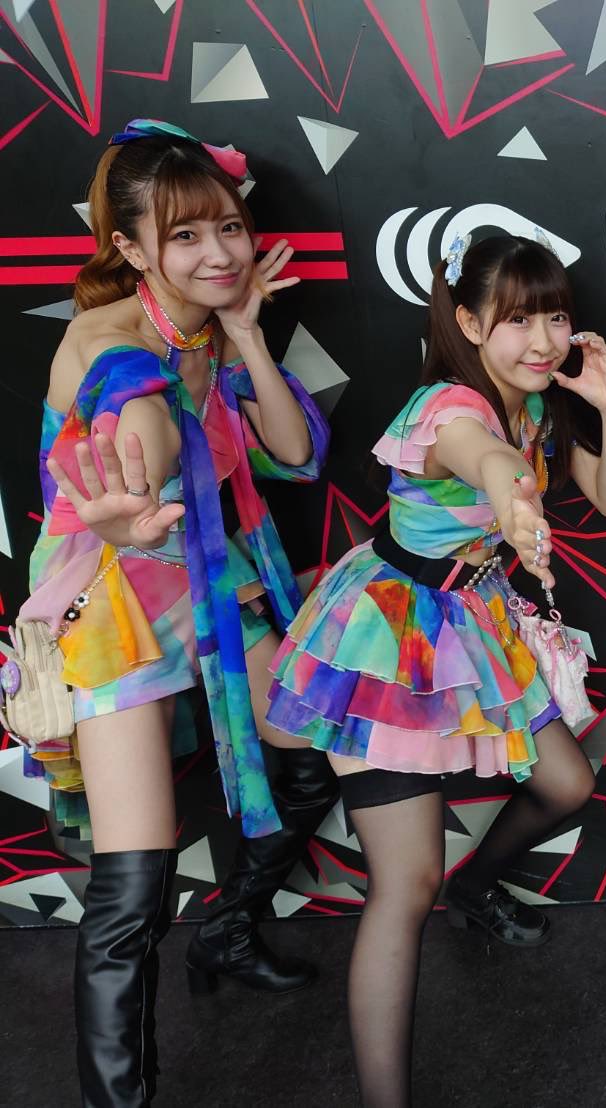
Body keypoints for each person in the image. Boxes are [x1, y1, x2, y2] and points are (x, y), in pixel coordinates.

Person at [265, 232, 606, 1105]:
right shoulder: (448, 408)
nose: (542, 340)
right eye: (517, 321)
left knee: (568, 784)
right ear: (468, 323)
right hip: (388, 641)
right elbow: (483, 457)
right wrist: (512, 499)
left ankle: (477, 889)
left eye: (555, 318)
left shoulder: (534, 404)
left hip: (470, 621)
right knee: (405, 884)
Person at [25, 119, 331, 1104]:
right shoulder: (105, 341)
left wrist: (244, 331)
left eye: (229, 228)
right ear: (129, 248)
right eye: (186, 236)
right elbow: (142, 414)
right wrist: (135, 497)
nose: (218, 253)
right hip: (114, 605)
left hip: (211, 583)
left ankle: (231, 929)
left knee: (314, 753)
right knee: (135, 882)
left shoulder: (212, 328)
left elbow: (294, 455)